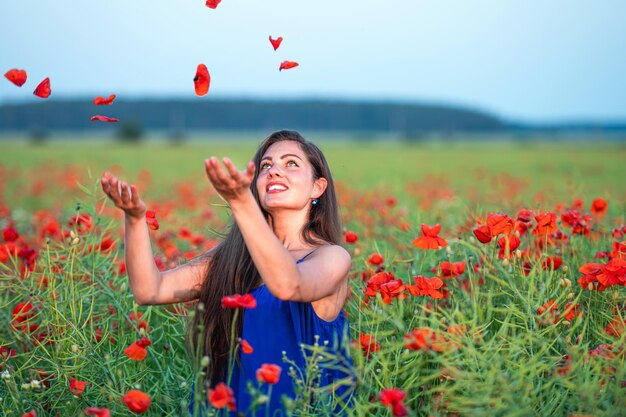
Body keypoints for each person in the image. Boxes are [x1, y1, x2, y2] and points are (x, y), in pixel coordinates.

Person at [100, 130, 355, 416]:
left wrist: (241, 202)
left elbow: (289, 285)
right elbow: (150, 290)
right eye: (266, 166)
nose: (274, 172)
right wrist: (135, 219)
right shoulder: (232, 258)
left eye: (291, 163)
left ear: (317, 188)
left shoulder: (331, 257)